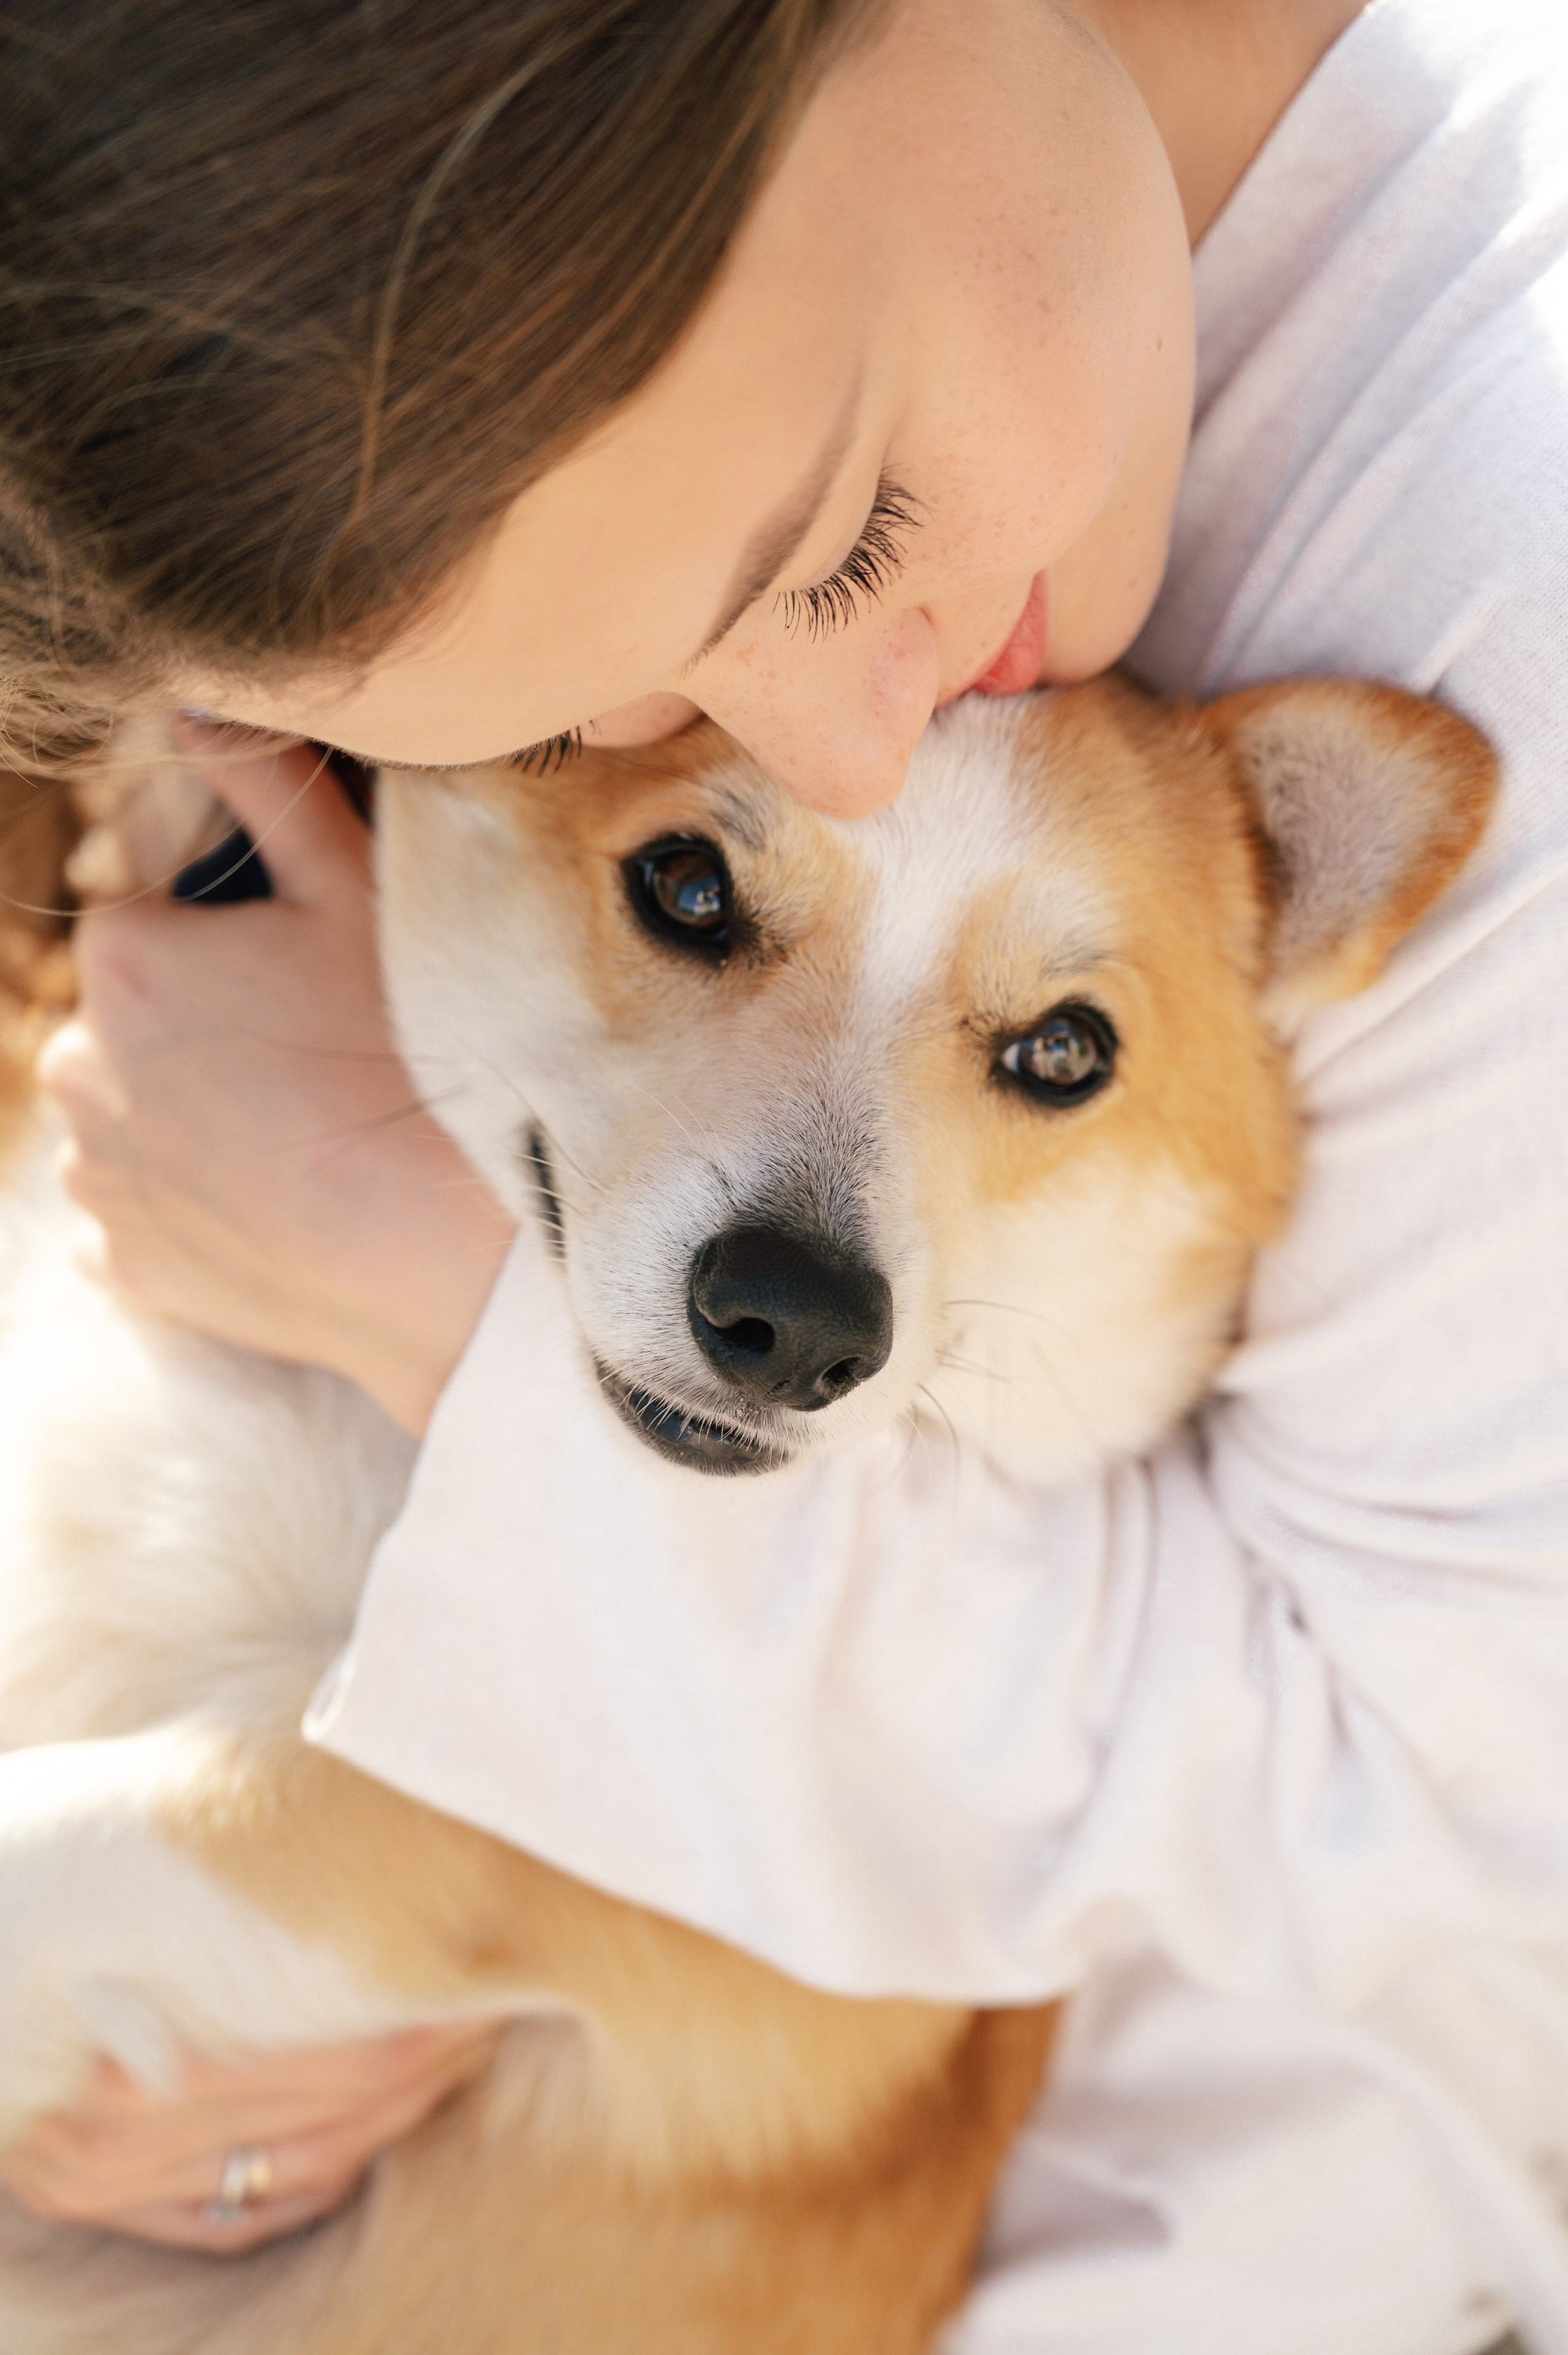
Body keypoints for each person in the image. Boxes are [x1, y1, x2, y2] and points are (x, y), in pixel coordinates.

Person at [1, 0, 1565, 2346]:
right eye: (656, 723)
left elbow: (1450, 1832)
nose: (854, 724)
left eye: (843, 534)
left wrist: (458, 1304)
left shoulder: (1494, 501)